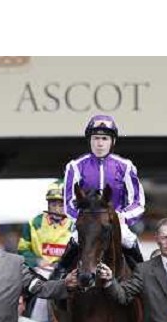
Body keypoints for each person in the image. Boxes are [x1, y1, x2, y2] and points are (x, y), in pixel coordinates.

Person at [57, 114, 146, 275]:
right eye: (95, 138)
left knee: (131, 242)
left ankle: (145, 282)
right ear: (89, 140)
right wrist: (84, 217)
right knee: (72, 246)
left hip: (116, 222)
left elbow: (138, 202)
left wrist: (123, 217)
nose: (99, 143)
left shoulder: (125, 167)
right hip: (86, 223)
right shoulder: (75, 166)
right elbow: (69, 202)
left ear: (113, 142)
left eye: (104, 138)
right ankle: (56, 282)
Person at [17, 179, 74, 322]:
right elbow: (22, 252)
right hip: (40, 272)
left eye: (61, 204)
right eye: (53, 203)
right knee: (38, 293)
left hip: (66, 272)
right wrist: (37, 260)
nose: (56, 208)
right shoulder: (34, 223)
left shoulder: (76, 225)